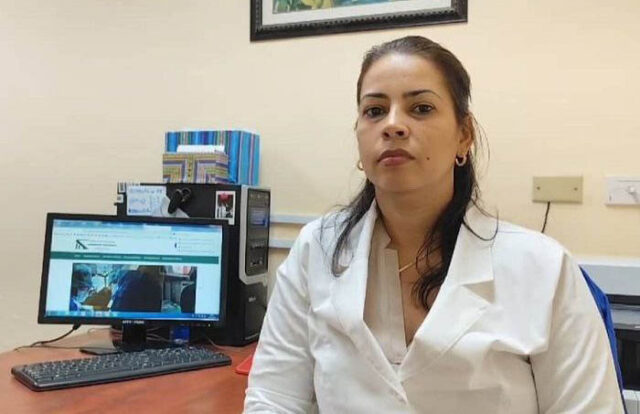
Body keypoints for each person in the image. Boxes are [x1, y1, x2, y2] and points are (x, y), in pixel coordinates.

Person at [244, 36, 624, 413]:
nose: (393, 125)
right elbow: (274, 398)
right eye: (375, 111)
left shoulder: (543, 267)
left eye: (421, 108)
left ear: (464, 136)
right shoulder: (316, 249)